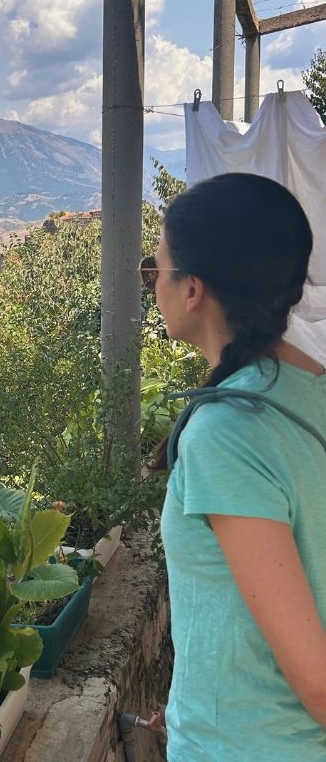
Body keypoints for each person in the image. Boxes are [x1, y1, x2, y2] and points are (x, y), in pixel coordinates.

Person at [140, 172, 326, 761]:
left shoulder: (230, 430)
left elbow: (316, 681)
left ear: (192, 289)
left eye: (156, 268)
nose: (154, 286)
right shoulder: (310, 392)